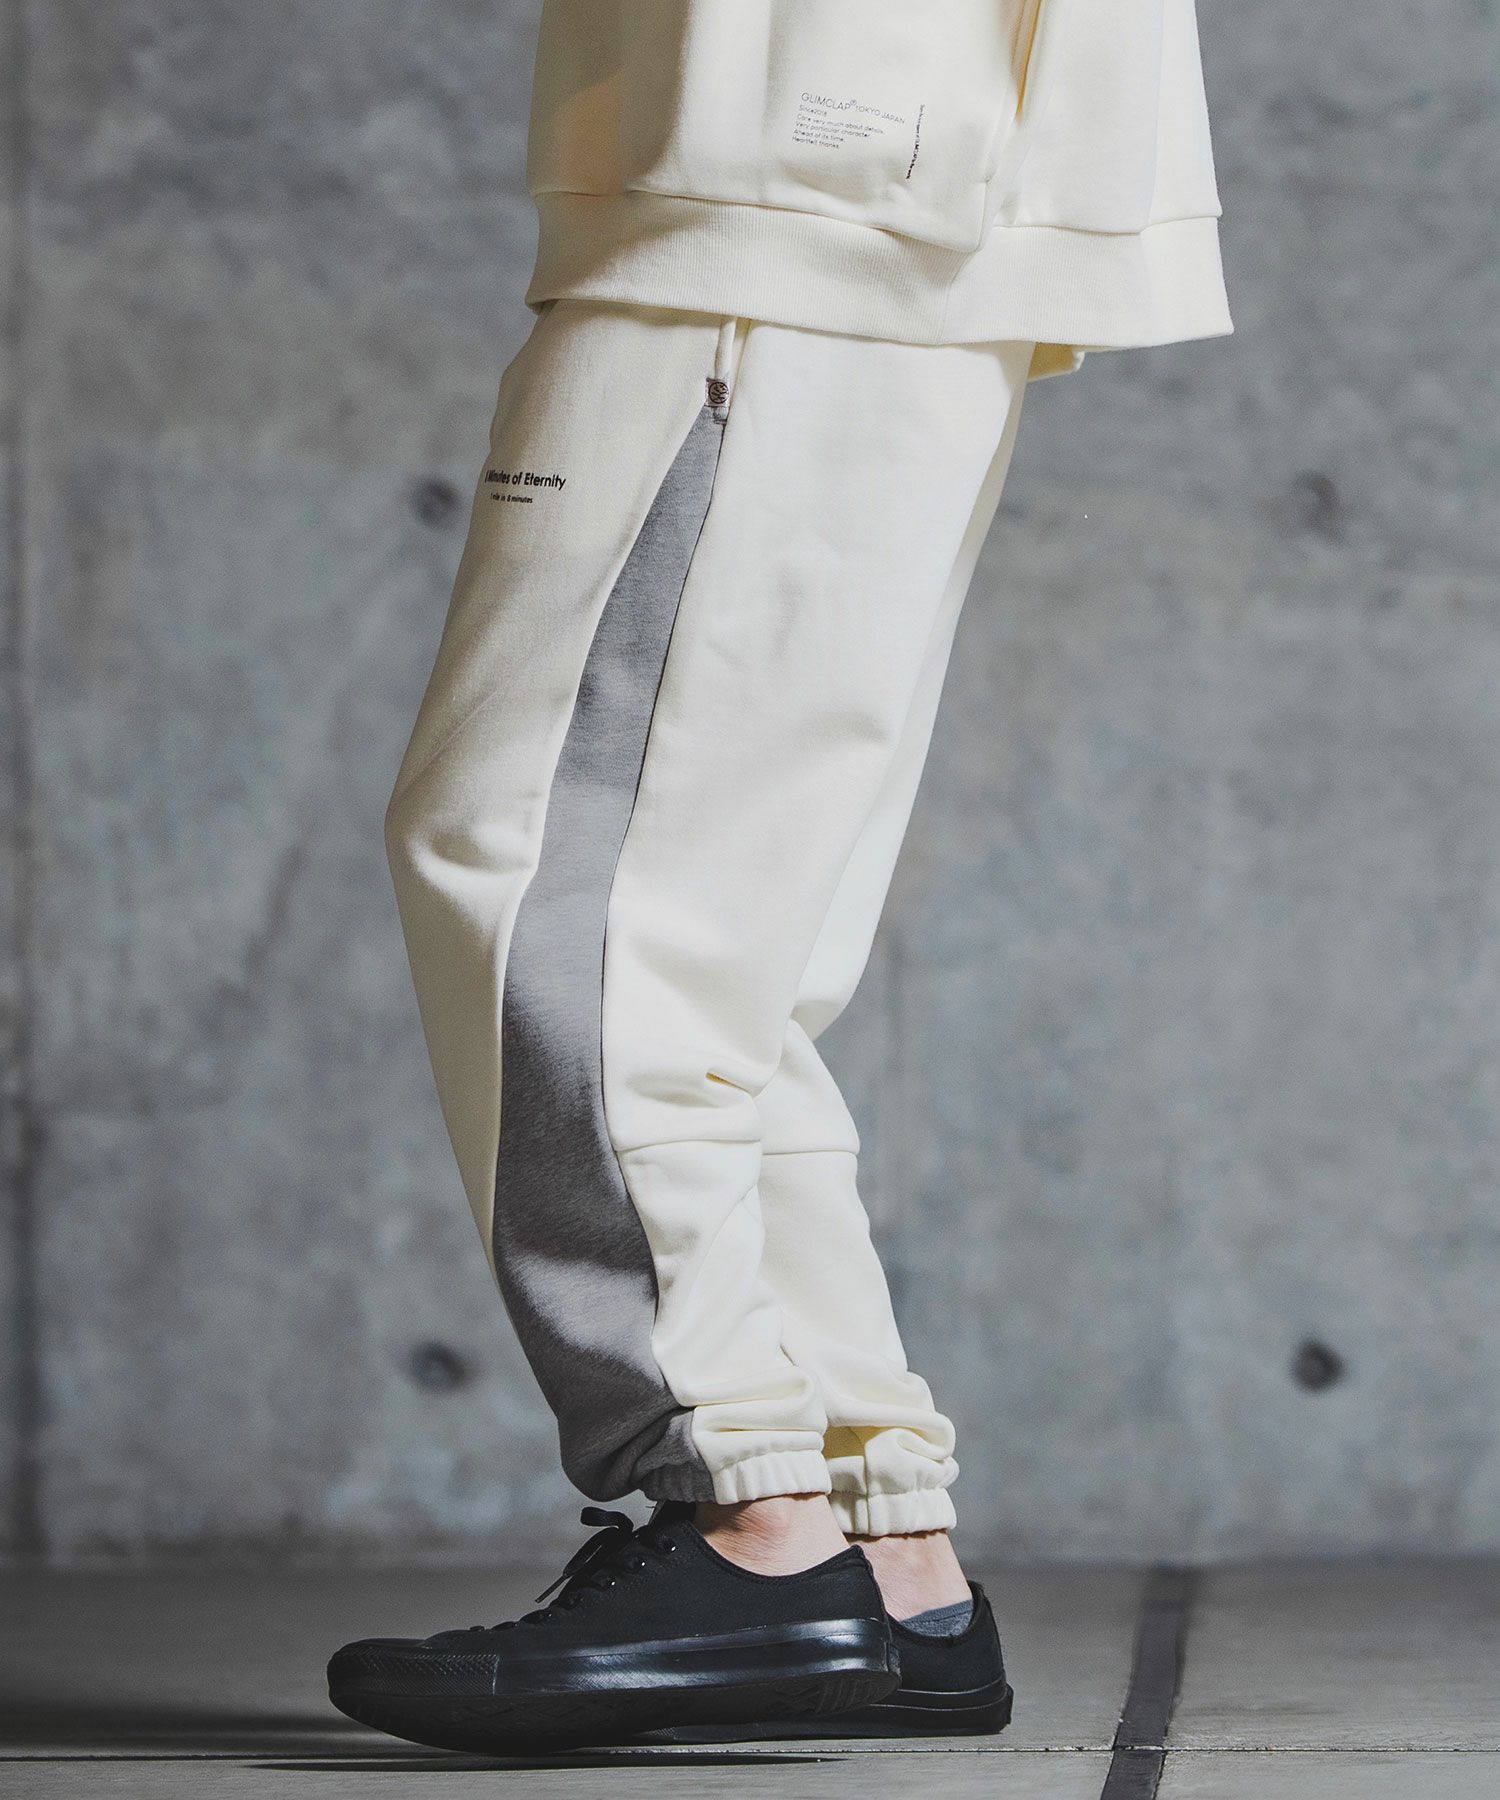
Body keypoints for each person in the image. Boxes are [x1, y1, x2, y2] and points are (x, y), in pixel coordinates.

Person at [329, 0, 1230, 1752]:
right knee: (720, 958)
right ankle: (887, 1556)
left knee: (553, 882)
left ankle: (751, 1514)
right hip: (856, 191)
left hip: (785, 182)